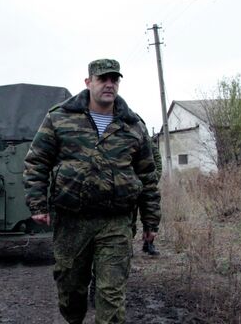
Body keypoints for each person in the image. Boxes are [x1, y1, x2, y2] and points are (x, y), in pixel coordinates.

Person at [23, 58, 161, 323]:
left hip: (116, 222)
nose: (109, 84)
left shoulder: (132, 125)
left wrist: (151, 220)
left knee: (111, 294)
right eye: (102, 79)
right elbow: (37, 162)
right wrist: (38, 205)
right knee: (71, 292)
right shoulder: (60, 117)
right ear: (88, 82)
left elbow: (147, 175)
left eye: (114, 79)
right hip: (72, 222)